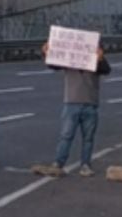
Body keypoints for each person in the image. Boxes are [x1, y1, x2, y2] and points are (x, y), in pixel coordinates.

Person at [41, 42, 111, 176]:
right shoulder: (69, 60)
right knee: (66, 135)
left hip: (90, 104)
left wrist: (100, 58)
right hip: (71, 103)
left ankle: (85, 164)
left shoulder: (97, 61)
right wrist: (46, 53)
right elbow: (53, 64)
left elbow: (106, 70)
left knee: (88, 138)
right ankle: (58, 163)